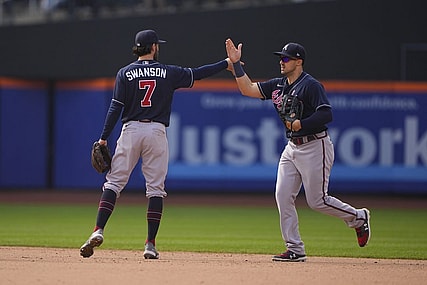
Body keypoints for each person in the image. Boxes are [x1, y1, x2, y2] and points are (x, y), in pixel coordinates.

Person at [80, 29, 232, 259]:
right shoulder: (167, 72)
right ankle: (150, 244)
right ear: (153, 48)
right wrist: (227, 63)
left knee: (113, 184)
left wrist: (103, 136)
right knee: (155, 189)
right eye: (157, 45)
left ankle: (98, 230)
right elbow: (198, 74)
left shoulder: (125, 73)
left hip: (131, 130)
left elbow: (115, 107)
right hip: (156, 132)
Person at [225, 38, 371, 262]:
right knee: (282, 195)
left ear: (298, 61)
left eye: (285, 59)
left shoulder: (310, 85)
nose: (281, 62)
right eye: (280, 58)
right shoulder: (278, 85)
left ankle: (359, 217)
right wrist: (235, 64)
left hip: (315, 145)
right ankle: (295, 248)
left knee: (317, 201)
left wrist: (300, 124)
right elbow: (248, 89)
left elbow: (326, 114)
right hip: (292, 147)